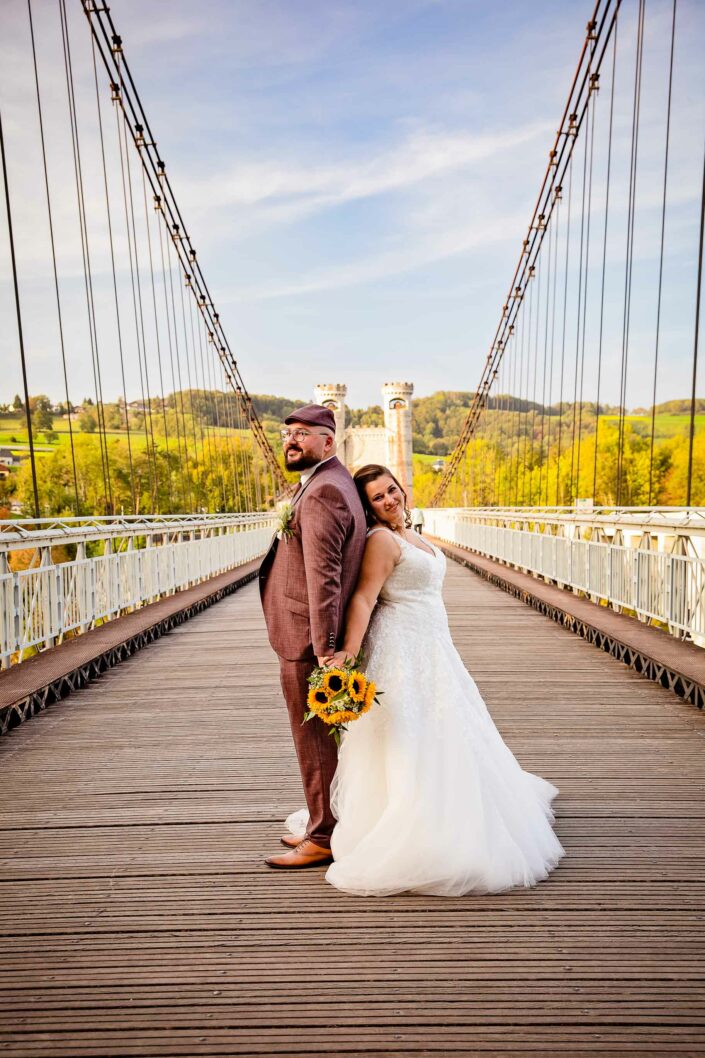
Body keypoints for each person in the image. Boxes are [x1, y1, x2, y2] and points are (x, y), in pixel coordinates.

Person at [286, 462, 564, 895]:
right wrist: (346, 655)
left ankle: (453, 809)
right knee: (409, 732)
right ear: (369, 508)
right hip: (402, 647)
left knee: (448, 726)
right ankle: (412, 824)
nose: (390, 499)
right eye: (378, 497)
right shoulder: (381, 540)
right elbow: (363, 598)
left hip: (433, 644)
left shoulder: (411, 534)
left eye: (392, 490)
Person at [259, 404, 367, 869]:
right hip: (307, 634)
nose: (292, 441)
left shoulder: (324, 491)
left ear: (328, 442)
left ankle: (323, 835)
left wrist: (325, 650)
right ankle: (325, 821)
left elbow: (323, 576)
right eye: (288, 433)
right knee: (320, 739)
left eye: (303, 433)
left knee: (315, 739)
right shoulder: (329, 483)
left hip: (307, 640)